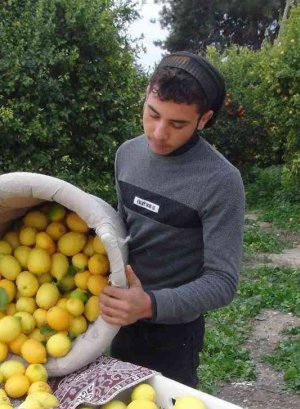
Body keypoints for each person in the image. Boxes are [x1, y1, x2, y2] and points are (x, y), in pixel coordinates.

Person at [99, 52, 245, 387]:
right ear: (146, 95)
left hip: (173, 334)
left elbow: (223, 282)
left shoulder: (221, 181)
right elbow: (123, 233)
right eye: (152, 114)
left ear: (204, 119)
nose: (158, 133)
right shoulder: (127, 154)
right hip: (119, 318)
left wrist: (149, 304)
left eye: (177, 124)